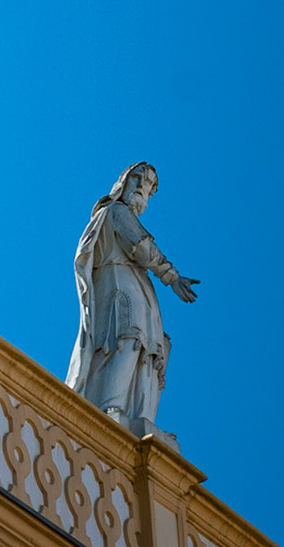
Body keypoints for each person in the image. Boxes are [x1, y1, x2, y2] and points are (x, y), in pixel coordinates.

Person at [65, 162, 199, 437]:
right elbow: (139, 245)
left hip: (139, 286)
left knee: (148, 350)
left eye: (149, 186)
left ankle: (139, 416)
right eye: (138, 178)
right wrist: (171, 276)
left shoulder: (122, 214)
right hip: (117, 282)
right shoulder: (115, 211)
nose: (141, 187)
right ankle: (110, 406)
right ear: (123, 183)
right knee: (126, 338)